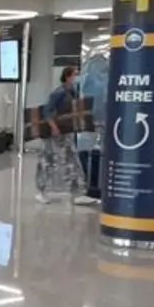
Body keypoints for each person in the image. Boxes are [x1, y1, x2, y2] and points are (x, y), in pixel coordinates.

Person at [34, 66, 97, 206]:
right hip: (54, 133)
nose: (78, 77)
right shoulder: (59, 92)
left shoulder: (72, 92)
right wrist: (54, 127)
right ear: (68, 76)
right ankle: (42, 191)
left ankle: (77, 193)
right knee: (49, 161)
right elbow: (47, 111)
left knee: (72, 161)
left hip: (66, 133)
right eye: (76, 74)